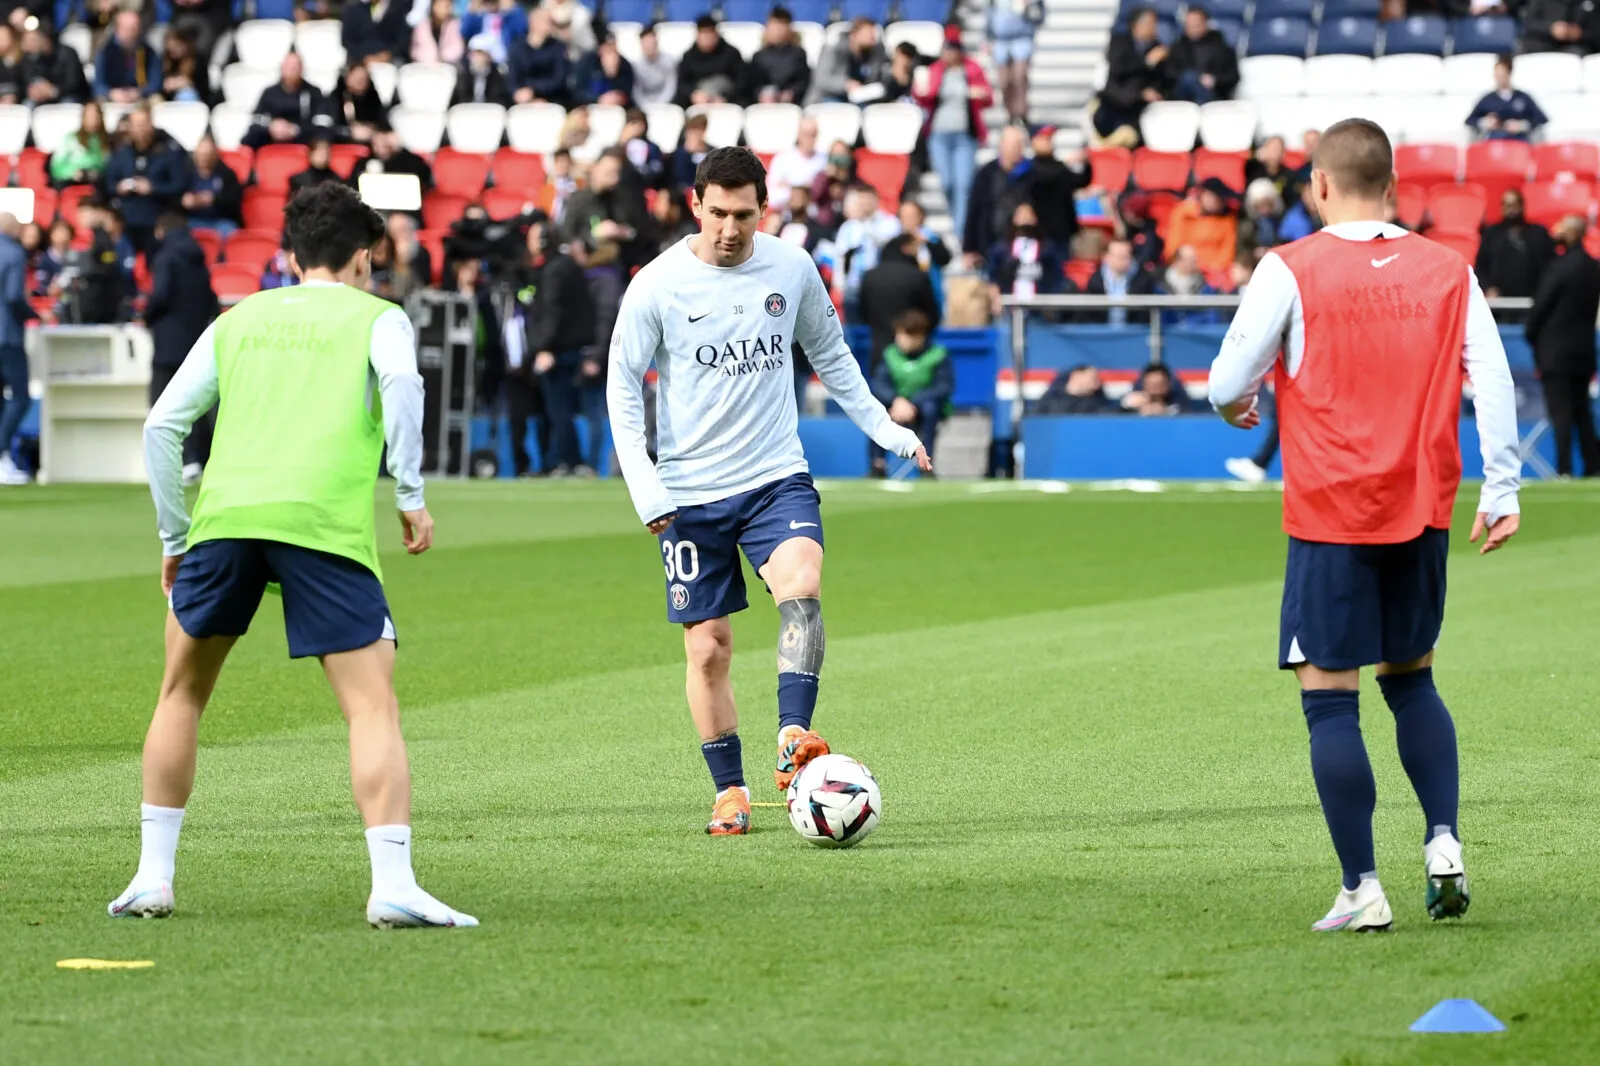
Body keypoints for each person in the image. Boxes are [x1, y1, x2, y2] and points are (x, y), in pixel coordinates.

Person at [118, 181, 476, 929]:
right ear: (361, 258)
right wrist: (410, 494)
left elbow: (161, 427)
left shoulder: (237, 318)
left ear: (287, 256)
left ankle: (153, 877)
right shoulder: (377, 316)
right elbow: (404, 385)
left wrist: (175, 538)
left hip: (225, 522)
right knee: (371, 705)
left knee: (180, 693)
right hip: (321, 525)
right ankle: (393, 884)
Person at [1207, 117, 1521, 933]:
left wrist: (1239, 398)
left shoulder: (1290, 267)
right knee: (1412, 679)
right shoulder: (1449, 269)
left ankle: (1361, 889)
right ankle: (1444, 841)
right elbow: (1491, 375)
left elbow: (1222, 382)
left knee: (1330, 700)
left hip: (1330, 514)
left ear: (1318, 185)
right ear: (1394, 186)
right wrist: (1504, 486)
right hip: (1420, 509)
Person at [607, 147, 930, 836]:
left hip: (774, 475)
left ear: (764, 209)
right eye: (717, 213)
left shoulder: (790, 268)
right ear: (694, 205)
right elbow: (623, 387)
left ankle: (794, 735)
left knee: (802, 584)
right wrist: (645, 485)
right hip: (689, 491)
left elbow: (832, 356)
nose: (729, 228)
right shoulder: (657, 285)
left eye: (744, 214)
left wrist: (886, 430)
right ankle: (730, 791)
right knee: (708, 648)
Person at [145, 212, 218, 484]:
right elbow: (211, 301)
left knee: (162, 403)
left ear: (162, 231)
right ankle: (202, 457)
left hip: (167, 342)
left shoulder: (165, 259)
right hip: (195, 339)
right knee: (197, 403)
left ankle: (182, 461)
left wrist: (147, 316)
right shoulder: (199, 260)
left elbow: (160, 295)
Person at [1524, 215, 1600, 477]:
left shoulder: (1558, 267)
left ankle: (1564, 469)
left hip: (1555, 351)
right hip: (1584, 351)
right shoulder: (1593, 267)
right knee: (1582, 413)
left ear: (1570, 234)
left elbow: (1541, 307)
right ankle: (1593, 467)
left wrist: (1531, 333)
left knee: (1561, 413)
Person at [526, 229, 595, 476]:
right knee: (561, 407)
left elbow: (552, 312)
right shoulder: (568, 266)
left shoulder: (555, 270)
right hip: (570, 347)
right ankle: (569, 460)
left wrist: (544, 346)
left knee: (558, 409)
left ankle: (565, 461)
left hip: (557, 350)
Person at [915, 35, 991, 245]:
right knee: (948, 183)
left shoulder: (972, 69)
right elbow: (922, 96)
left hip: (965, 136)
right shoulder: (935, 70)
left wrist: (978, 94)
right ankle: (958, 218)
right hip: (939, 135)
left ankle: (961, 232)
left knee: (964, 184)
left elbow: (988, 97)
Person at [870, 308, 952, 467]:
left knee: (930, 408)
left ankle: (927, 462)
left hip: (924, 407)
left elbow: (943, 386)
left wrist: (914, 403)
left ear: (920, 336)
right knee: (876, 410)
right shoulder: (890, 354)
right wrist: (896, 400)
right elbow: (879, 383)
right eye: (899, 334)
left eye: (906, 335)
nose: (901, 339)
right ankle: (877, 464)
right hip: (896, 406)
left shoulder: (937, 354)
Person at [105, 106, 189, 258]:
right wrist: (119, 187)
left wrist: (153, 188)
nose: (141, 129)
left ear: (151, 124)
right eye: (137, 125)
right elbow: (108, 183)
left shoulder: (168, 152)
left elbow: (180, 185)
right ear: (130, 128)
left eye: (144, 123)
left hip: (156, 218)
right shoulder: (122, 154)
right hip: (126, 219)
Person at [559, 147, 654, 273]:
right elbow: (566, 234)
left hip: (622, 263)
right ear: (595, 169)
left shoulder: (627, 199)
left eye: (617, 173)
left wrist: (624, 232)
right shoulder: (579, 200)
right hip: (587, 262)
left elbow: (643, 230)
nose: (614, 179)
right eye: (609, 173)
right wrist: (594, 234)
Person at [859, 230, 942, 371]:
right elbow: (932, 314)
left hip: (879, 349)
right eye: (916, 248)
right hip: (913, 355)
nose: (918, 253)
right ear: (905, 248)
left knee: (880, 389)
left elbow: (863, 313)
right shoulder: (917, 277)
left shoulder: (870, 276)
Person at [1093, 7, 1168, 148]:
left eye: (1155, 24)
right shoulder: (1119, 43)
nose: (1154, 28)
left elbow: (1160, 80)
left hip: (1141, 109)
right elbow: (1119, 70)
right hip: (1115, 104)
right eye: (1150, 23)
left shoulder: (1157, 47)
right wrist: (1147, 63)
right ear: (1136, 26)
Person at [1475, 189, 1554, 313]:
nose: (1511, 209)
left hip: (1532, 302)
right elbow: (1480, 267)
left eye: (1514, 204)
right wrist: (1488, 288)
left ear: (1522, 206)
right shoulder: (1491, 234)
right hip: (1499, 304)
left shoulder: (1539, 234)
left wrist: (1543, 292)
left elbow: (1551, 266)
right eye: (1506, 205)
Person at [987, 200, 1069, 319]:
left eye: (1029, 214)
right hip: (1009, 310)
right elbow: (993, 278)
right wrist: (996, 300)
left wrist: (1050, 306)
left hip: (1039, 312)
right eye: (1021, 214)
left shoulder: (1047, 249)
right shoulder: (1001, 249)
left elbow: (1057, 278)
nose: (1025, 218)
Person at [963, 125, 1029, 267]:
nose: (1015, 149)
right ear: (1001, 145)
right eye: (1011, 144)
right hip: (990, 244)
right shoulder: (986, 174)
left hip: (1024, 246)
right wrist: (969, 248)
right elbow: (974, 210)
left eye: (1018, 144)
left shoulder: (1033, 173)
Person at [244, 53, 338, 150]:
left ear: (302, 68)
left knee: (322, 138)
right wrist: (272, 127)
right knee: (251, 138)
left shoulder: (314, 93)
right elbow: (256, 121)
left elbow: (323, 124)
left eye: (296, 66)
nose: (293, 69)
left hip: (304, 139)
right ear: (282, 68)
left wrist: (295, 129)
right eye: (289, 66)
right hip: (272, 138)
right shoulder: (269, 93)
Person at [0, 212, 32, 485]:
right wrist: (33, 314)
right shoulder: (14, 253)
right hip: (7, 334)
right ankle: (1, 453)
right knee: (20, 397)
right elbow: (13, 296)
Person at [1026, 124, 1089, 249]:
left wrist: (1087, 163)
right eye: (1045, 139)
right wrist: (1066, 162)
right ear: (1033, 141)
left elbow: (1080, 181)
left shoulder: (1058, 166)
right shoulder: (1029, 167)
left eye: (1050, 139)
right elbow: (1045, 177)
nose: (1050, 142)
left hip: (1062, 232)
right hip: (1041, 234)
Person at [1466, 55, 1548, 142]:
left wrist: (1521, 125)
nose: (1499, 79)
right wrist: (1485, 122)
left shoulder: (1523, 98)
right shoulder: (1488, 99)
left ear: (1509, 74)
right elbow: (1470, 120)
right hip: (1495, 143)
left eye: (1502, 75)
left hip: (1519, 142)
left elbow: (1540, 119)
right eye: (1497, 76)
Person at [1165, 178, 1238, 275]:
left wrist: (1206, 268)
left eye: (1219, 198)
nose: (1216, 201)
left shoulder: (1228, 220)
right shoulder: (1183, 214)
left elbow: (1227, 255)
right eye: (1213, 197)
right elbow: (1173, 248)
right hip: (1184, 268)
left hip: (1214, 273)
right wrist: (1184, 261)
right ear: (1202, 195)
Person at [1167, 5, 1237, 105]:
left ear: (1205, 24)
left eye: (1196, 25)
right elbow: (1169, 73)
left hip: (1214, 92)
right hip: (1183, 95)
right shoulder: (1177, 47)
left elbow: (1233, 76)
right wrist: (1195, 79)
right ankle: (1205, 102)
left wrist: (1214, 80)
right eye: (1188, 25)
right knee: (1189, 77)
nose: (1192, 29)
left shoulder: (1222, 47)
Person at [808, 16, 885, 105]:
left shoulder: (877, 53)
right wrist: (846, 84)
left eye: (873, 33)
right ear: (854, 35)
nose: (872, 37)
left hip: (862, 99)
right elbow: (820, 80)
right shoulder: (833, 49)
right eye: (868, 33)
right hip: (829, 98)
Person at [674, 15, 746, 108]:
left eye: (710, 34)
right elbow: (682, 84)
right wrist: (693, 94)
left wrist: (726, 99)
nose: (707, 38)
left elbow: (741, 81)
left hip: (726, 100)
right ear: (697, 35)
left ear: (716, 34)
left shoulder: (731, 54)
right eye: (703, 34)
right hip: (697, 101)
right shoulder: (689, 56)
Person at [988, 0, 1042, 121]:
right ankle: (1010, 113)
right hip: (1001, 40)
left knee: (1019, 77)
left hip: (1022, 38)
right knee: (1004, 81)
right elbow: (990, 14)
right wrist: (987, 37)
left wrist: (1029, 7)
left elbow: (1039, 17)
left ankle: (1022, 112)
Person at [745, 5, 809, 104]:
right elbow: (752, 85)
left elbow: (803, 81)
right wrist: (761, 94)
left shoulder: (799, 55)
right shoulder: (758, 57)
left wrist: (792, 92)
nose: (778, 31)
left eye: (781, 25)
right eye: (774, 25)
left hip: (793, 103)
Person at [1085, 237, 1156, 325]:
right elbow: (1089, 316)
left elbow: (1144, 316)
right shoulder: (1094, 282)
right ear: (1107, 257)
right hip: (1101, 334)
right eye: (1119, 257)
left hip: (1135, 334)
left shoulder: (1144, 280)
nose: (1123, 261)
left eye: (1126, 257)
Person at [183, 135, 243, 238]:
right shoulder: (185, 173)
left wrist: (214, 199)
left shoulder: (227, 174)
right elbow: (173, 198)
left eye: (207, 155)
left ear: (215, 155)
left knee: (231, 234)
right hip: (192, 220)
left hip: (220, 221)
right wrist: (185, 201)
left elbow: (235, 201)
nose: (204, 159)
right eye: (201, 155)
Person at [94, 8, 160, 102]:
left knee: (157, 100)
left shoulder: (148, 51)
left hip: (141, 97)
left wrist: (140, 92)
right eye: (126, 28)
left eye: (134, 28)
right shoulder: (105, 52)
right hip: (112, 97)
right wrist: (111, 93)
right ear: (117, 29)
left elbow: (156, 82)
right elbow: (98, 85)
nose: (131, 32)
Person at [897, 199, 951, 314]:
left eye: (912, 216)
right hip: (904, 292)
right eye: (905, 217)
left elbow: (945, 259)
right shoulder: (894, 241)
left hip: (930, 290)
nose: (908, 220)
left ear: (921, 217)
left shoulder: (931, 238)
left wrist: (927, 243)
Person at [509, 7, 570, 107]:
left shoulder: (558, 48)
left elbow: (559, 79)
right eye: (547, 22)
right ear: (533, 23)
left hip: (552, 99)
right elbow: (512, 78)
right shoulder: (517, 47)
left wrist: (533, 90)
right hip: (522, 101)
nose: (550, 26)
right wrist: (518, 93)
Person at [20, 17, 86, 105]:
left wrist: (53, 91)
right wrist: (35, 90)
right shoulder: (30, 57)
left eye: (33, 40)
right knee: (27, 104)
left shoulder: (68, 53)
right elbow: (28, 79)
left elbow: (74, 83)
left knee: (68, 102)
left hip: (69, 96)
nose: (29, 45)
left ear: (45, 39)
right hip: (43, 98)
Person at [766, 116, 827, 209]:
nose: (810, 139)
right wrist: (803, 189)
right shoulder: (783, 158)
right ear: (798, 134)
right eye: (806, 134)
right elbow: (772, 196)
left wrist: (789, 186)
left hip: (814, 216)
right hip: (786, 214)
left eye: (813, 134)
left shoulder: (824, 159)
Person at [48, 97, 108, 187]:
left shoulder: (104, 140)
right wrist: (72, 173)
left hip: (94, 183)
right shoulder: (71, 139)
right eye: (89, 116)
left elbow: (104, 165)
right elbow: (56, 167)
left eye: (96, 116)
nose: (93, 119)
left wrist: (95, 172)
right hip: (70, 182)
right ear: (83, 117)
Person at [332, 60, 390, 144]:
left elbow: (382, 122)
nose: (361, 81)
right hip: (343, 143)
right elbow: (331, 127)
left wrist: (372, 130)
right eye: (357, 77)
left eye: (364, 77)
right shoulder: (337, 97)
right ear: (348, 77)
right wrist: (350, 132)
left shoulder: (373, 97)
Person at [571, 32, 633, 107]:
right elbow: (578, 92)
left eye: (613, 49)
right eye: (607, 48)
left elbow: (627, 93)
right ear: (600, 49)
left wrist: (612, 74)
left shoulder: (625, 65)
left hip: (616, 108)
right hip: (589, 107)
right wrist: (597, 99)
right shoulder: (588, 62)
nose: (610, 53)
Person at [452, 32, 513, 107]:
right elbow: (456, 101)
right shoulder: (463, 75)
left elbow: (501, 100)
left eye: (480, 53)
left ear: (488, 56)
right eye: (474, 53)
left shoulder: (497, 76)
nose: (476, 57)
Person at [341, 0, 412, 64]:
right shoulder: (352, 9)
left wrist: (388, 54)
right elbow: (346, 40)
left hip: (391, 59)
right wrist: (364, 57)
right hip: (359, 60)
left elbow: (403, 38)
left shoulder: (399, 7)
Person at [460, 0, 527, 65]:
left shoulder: (508, 17)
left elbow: (521, 31)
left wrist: (511, 8)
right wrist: (474, 7)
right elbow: (465, 32)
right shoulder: (479, 16)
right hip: (481, 56)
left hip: (502, 58)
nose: (491, 3)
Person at [1520, 0, 1597, 56]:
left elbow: (1593, 30)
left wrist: (1579, 33)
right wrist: (1551, 29)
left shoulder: (1585, 4)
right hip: (1541, 44)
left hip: (1573, 47)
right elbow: (1529, 23)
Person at [1244, 135, 1302, 207]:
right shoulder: (1254, 169)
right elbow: (1247, 161)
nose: (1275, 153)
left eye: (1278, 149)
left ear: (1283, 152)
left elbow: (1292, 201)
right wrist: (1256, 156)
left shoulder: (1290, 176)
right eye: (1272, 149)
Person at [159, 24, 210, 104]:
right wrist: (167, 85)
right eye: (170, 48)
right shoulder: (165, 62)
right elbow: (158, 86)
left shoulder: (198, 61)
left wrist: (187, 83)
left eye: (176, 46)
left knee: (186, 95)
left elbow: (205, 90)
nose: (173, 51)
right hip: (169, 101)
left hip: (195, 101)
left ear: (186, 44)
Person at [1237, 177, 1285, 261]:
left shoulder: (1281, 223)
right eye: (1260, 204)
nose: (1265, 208)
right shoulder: (1247, 226)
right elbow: (1242, 249)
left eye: (1268, 203)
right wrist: (1253, 253)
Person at [1036, 364, 1114, 414]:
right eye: (1093, 378)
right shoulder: (1052, 398)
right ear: (1076, 376)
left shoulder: (1097, 402)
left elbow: (1107, 417)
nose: (1097, 383)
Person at [632, 23, 677, 109]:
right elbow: (636, 91)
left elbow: (670, 87)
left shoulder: (670, 61)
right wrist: (645, 106)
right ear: (641, 44)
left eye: (651, 42)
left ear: (656, 42)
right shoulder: (636, 65)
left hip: (666, 104)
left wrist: (660, 105)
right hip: (643, 105)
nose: (649, 46)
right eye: (646, 43)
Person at [1121, 362, 1189, 415]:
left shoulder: (1179, 401)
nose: (1155, 389)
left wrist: (1165, 411)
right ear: (1144, 384)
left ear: (1168, 384)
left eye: (1159, 384)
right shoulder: (1131, 403)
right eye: (1151, 384)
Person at [411, 0, 464, 65]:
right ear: (433, 6)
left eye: (446, 6)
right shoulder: (422, 26)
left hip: (448, 66)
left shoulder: (455, 25)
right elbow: (416, 50)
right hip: (423, 66)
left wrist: (442, 57)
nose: (443, 10)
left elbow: (457, 49)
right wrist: (430, 59)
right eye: (440, 6)